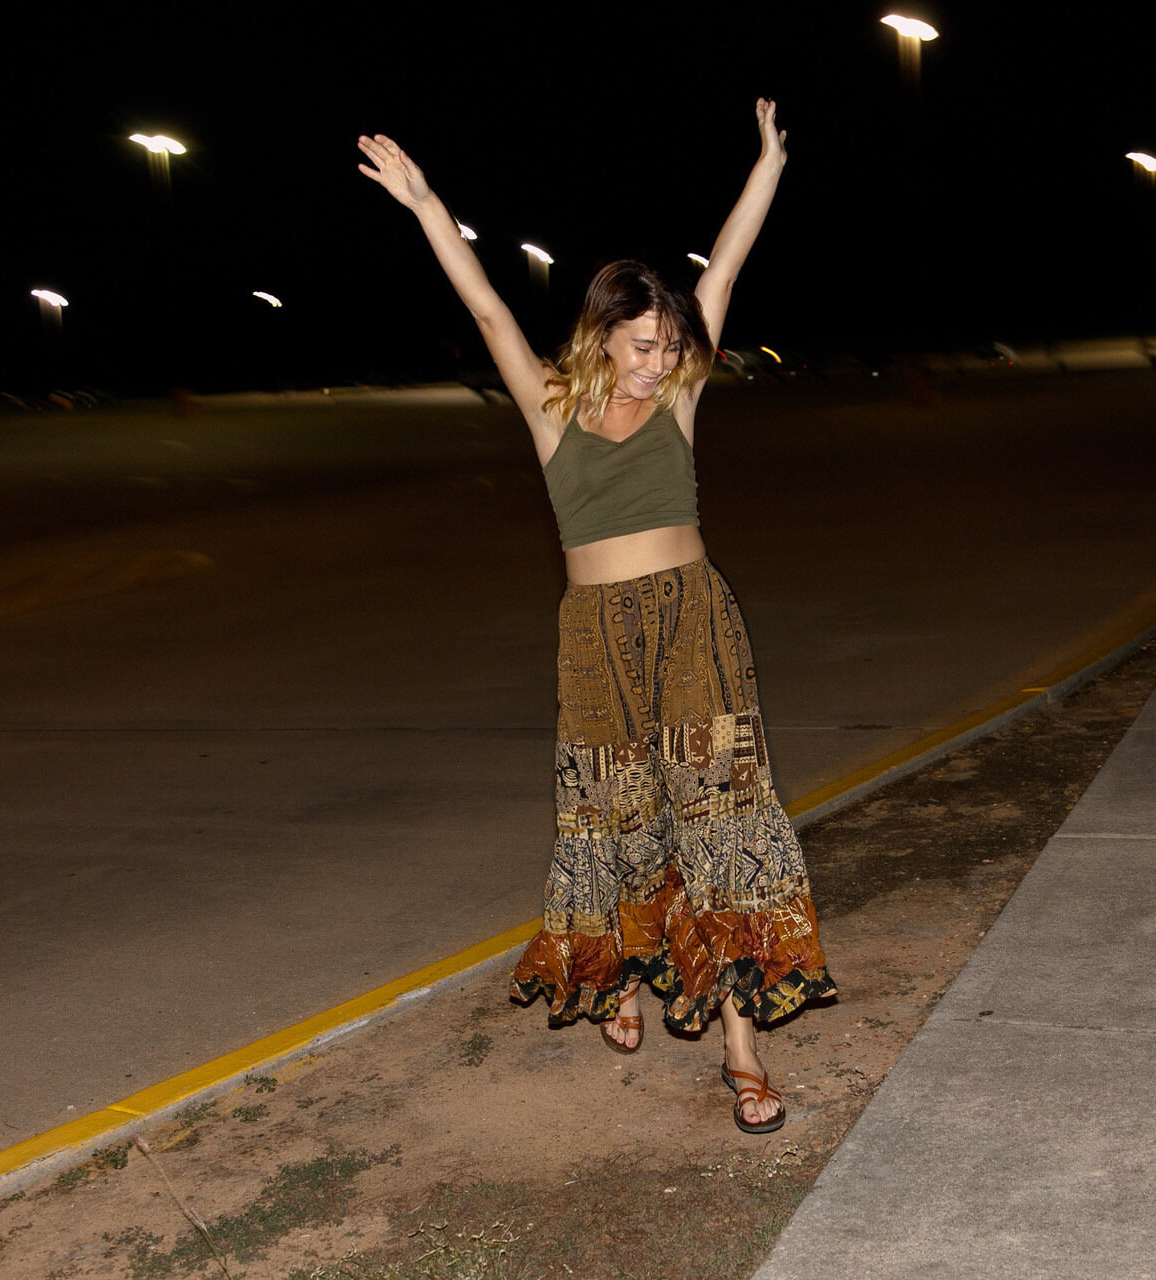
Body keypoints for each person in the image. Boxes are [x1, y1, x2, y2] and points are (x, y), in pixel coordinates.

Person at [357, 99, 834, 1135]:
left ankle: (742, 1052)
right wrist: (428, 204)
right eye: (645, 344)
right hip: (595, 637)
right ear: (604, 335)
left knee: (721, 825)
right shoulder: (551, 406)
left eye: (672, 345)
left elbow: (725, 270)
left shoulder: (678, 400)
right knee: (614, 819)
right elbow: (488, 307)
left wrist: (767, 166)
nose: (661, 361)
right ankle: (624, 972)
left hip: (694, 622)